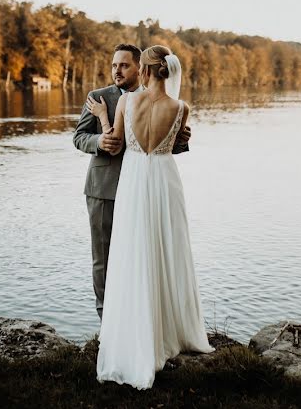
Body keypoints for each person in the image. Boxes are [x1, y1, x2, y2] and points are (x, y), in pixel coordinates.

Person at [86, 44, 214, 390]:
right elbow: (174, 145)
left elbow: (114, 138)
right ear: (167, 71)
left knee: (132, 251)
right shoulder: (181, 107)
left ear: (144, 70)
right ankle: (169, 330)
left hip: (133, 179)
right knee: (167, 249)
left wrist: (102, 115)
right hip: (163, 180)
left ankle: (133, 333)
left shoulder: (127, 102)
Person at [73, 44, 190, 321]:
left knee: (140, 255)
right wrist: (99, 141)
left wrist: (181, 141)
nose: (117, 70)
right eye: (114, 65)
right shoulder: (97, 97)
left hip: (142, 191)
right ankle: (107, 322)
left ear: (141, 68)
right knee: (103, 258)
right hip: (103, 190)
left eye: (124, 65)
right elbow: (78, 137)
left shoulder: (159, 100)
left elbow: (163, 148)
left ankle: (138, 320)